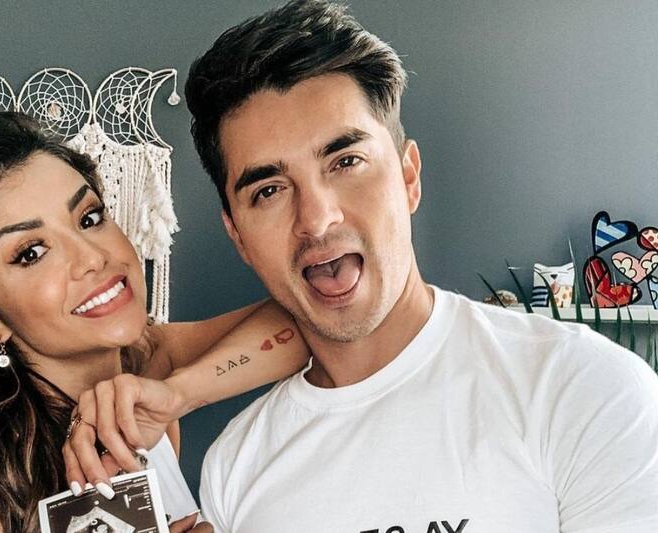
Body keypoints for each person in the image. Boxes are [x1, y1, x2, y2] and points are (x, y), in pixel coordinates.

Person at [65, 1, 658, 531]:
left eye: (345, 161)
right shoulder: (235, 467)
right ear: (238, 236)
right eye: (269, 190)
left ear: (408, 176)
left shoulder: (585, 390)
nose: (317, 218)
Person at [0, 112, 310, 532]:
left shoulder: (148, 367)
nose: (92, 257)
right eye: (31, 253)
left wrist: (180, 395)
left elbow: (316, 321)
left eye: (89, 218)